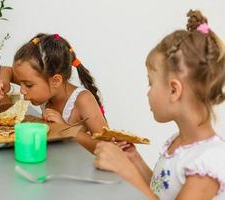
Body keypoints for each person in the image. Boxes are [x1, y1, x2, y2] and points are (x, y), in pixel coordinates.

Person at [94, 10, 225, 199]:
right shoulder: (178, 142)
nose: (148, 92)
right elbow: (160, 191)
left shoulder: (208, 162)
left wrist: (126, 171)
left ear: (174, 90)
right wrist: (134, 161)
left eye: (151, 83)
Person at [0, 33, 107, 153]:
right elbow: (6, 70)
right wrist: (2, 80)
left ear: (56, 81)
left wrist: (65, 128)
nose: (22, 90)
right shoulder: (45, 86)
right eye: (21, 83)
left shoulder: (83, 100)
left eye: (28, 85)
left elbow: (108, 146)